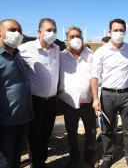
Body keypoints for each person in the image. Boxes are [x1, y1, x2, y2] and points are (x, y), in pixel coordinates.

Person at [91, 19, 128, 168]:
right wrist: (95, 99)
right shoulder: (101, 51)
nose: (118, 33)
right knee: (107, 129)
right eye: (115, 30)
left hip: (127, 95)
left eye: (121, 30)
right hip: (107, 95)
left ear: (125, 32)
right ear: (110, 32)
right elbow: (94, 77)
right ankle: (107, 157)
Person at [18, 18, 59, 168]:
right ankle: (37, 163)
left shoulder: (56, 49)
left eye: (54, 30)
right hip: (35, 102)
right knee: (34, 136)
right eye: (49, 30)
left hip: (52, 102)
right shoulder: (26, 48)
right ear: (39, 32)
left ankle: (41, 161)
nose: (52, 33)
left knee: (46, 134)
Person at [58, 26, 98, 168]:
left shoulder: (92, 55)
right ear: (67, 40)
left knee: (91, 132)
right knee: (72, 132)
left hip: (87, 101)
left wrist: (96, 97)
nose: (75, 39)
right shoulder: (60, 56)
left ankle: (89, 155)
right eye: (72, 37)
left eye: (78, 36)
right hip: (69, 102)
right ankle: (74, 155)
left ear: (82, 38)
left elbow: (97, 77)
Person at [0, 19, 34, 168]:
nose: (17, 34)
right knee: (4, 162)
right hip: (5, 123)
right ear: (0, 32)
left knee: (16, 159)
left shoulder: (17, 54)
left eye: (19, 31)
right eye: (12, 30)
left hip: (23, 120)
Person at [96, 36, 118, 143]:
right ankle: (103, 132)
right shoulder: (99, 54)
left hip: (112, 89)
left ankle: (113, 132)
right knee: (101, 113)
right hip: (101, 87)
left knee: (114, 113)